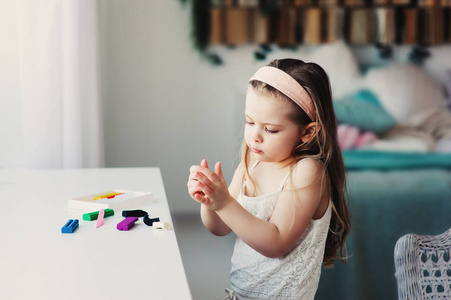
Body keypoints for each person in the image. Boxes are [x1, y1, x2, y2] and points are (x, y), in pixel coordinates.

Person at [187, 58, 351, 300]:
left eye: (270, 129)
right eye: (249, 122)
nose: (254, 136)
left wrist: (225, 203)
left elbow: (276, 242)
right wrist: (210, 200)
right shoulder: (252, 160)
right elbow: (220, 227)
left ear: (307, 132)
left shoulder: (307, 172)